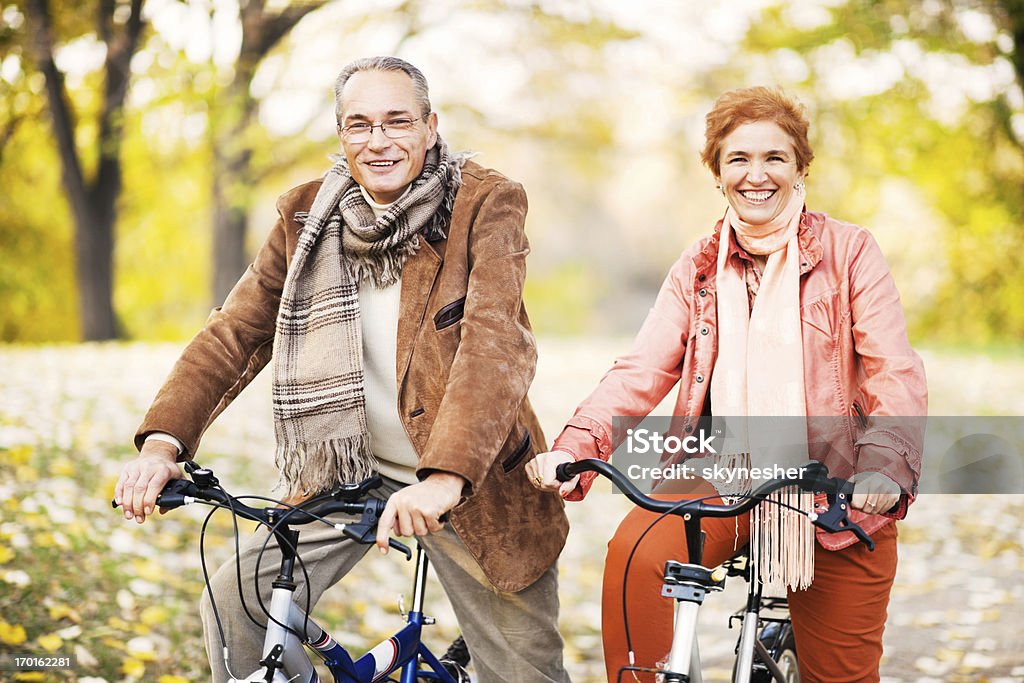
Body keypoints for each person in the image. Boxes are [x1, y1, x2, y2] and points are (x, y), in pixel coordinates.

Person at [114, 56, 571, 683]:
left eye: (397, 122)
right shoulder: (306, 216)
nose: (378, 141)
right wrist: (161, 445)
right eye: (359, 124)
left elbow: (494, 350)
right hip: (348, 471)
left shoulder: (486, 203)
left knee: (524, 674)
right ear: (340, 134)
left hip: (475, 482)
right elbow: (235, 332)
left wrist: (442, 480)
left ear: (431, 126)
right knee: (237, 604)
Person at [527, 86, 927, 682]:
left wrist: (884, 467)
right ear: (716, 172)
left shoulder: (850, 251)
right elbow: (642, 368)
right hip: (719, 472)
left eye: (775, 158)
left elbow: (895, 370)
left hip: (836, 488)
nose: (756, 175)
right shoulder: (698, 265)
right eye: (738, 159)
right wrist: (576, 446)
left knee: (841, 675)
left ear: (800, 168)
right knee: (636, 553)